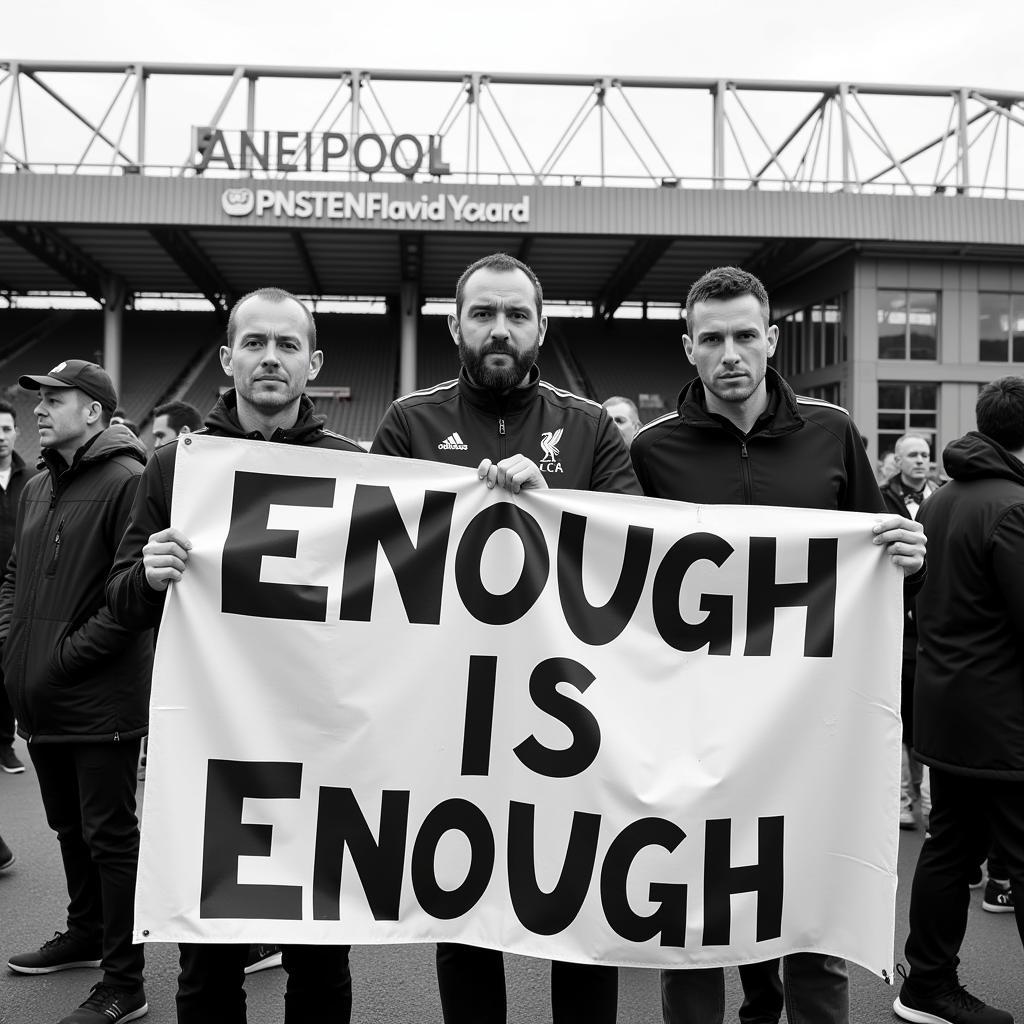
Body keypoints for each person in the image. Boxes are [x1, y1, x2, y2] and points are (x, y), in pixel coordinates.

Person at [628, 266, 926, 1024]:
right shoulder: (653, 451)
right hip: (695, 729)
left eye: (745, 335)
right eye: (713, 338)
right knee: (690, 919)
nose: (731, 353)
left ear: (772, 339)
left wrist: (905, 558)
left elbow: (874, 554)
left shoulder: (831, 431)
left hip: (812, 726)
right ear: (687, 347)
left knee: (811, 916)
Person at [372, 252, 640, 1024]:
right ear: (455, 324)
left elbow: (644, 558)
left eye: (516, 315)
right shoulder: (409, 422)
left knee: (580, 908)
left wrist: (552, 508)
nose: (500, 330)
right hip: (454, 718)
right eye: (483, 313)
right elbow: (363, 563)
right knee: (464, 908)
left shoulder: (586, 426)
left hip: (570, 718)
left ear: (541, 327)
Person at [105, 287, 359, 1024]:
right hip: (209, 749)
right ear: (227, 358)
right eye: (254, 343)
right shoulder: (172, 468)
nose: (270, 359)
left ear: (312, 364)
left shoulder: (359, 470)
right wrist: (146, 575)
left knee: (320, 953)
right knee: (206, 957)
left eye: (286, 345)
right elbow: (120, 601)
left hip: (321, 750)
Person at [0, 360, 151, 1024]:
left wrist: (60, 660)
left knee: (110, 838)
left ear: (93, 411)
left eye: (54, 399)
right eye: (38, 399)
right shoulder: (37, 485)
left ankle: (125, 981)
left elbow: (131, 601)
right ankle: (85, 932)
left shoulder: (129, 481)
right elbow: (13, 578)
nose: (38, 408)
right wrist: (14, 646)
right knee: (68, 828)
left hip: (98, 699)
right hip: (44, 695)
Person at [893, 376, 1024, 1024]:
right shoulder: (1013, 507)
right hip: (1004, 720)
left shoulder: (942, 501)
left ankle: (927, 986)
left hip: (948, 709)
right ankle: (929, 988)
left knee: (949, 847)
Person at [880, 432, 939, 830]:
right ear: (897, 460)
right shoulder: (881, 499)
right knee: (898, 718)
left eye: (925, 455)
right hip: (894, 623)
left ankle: (934, 805)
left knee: (932, 718)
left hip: (933, 622)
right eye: (912, 455)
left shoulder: (943, 498)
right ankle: (901, 800)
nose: (920, 461)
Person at [0, 398, 30, 775]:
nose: (0, 438)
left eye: (6, 429)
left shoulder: (32, 479)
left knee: (5, 669)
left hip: (13, 591)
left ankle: (5, 745)